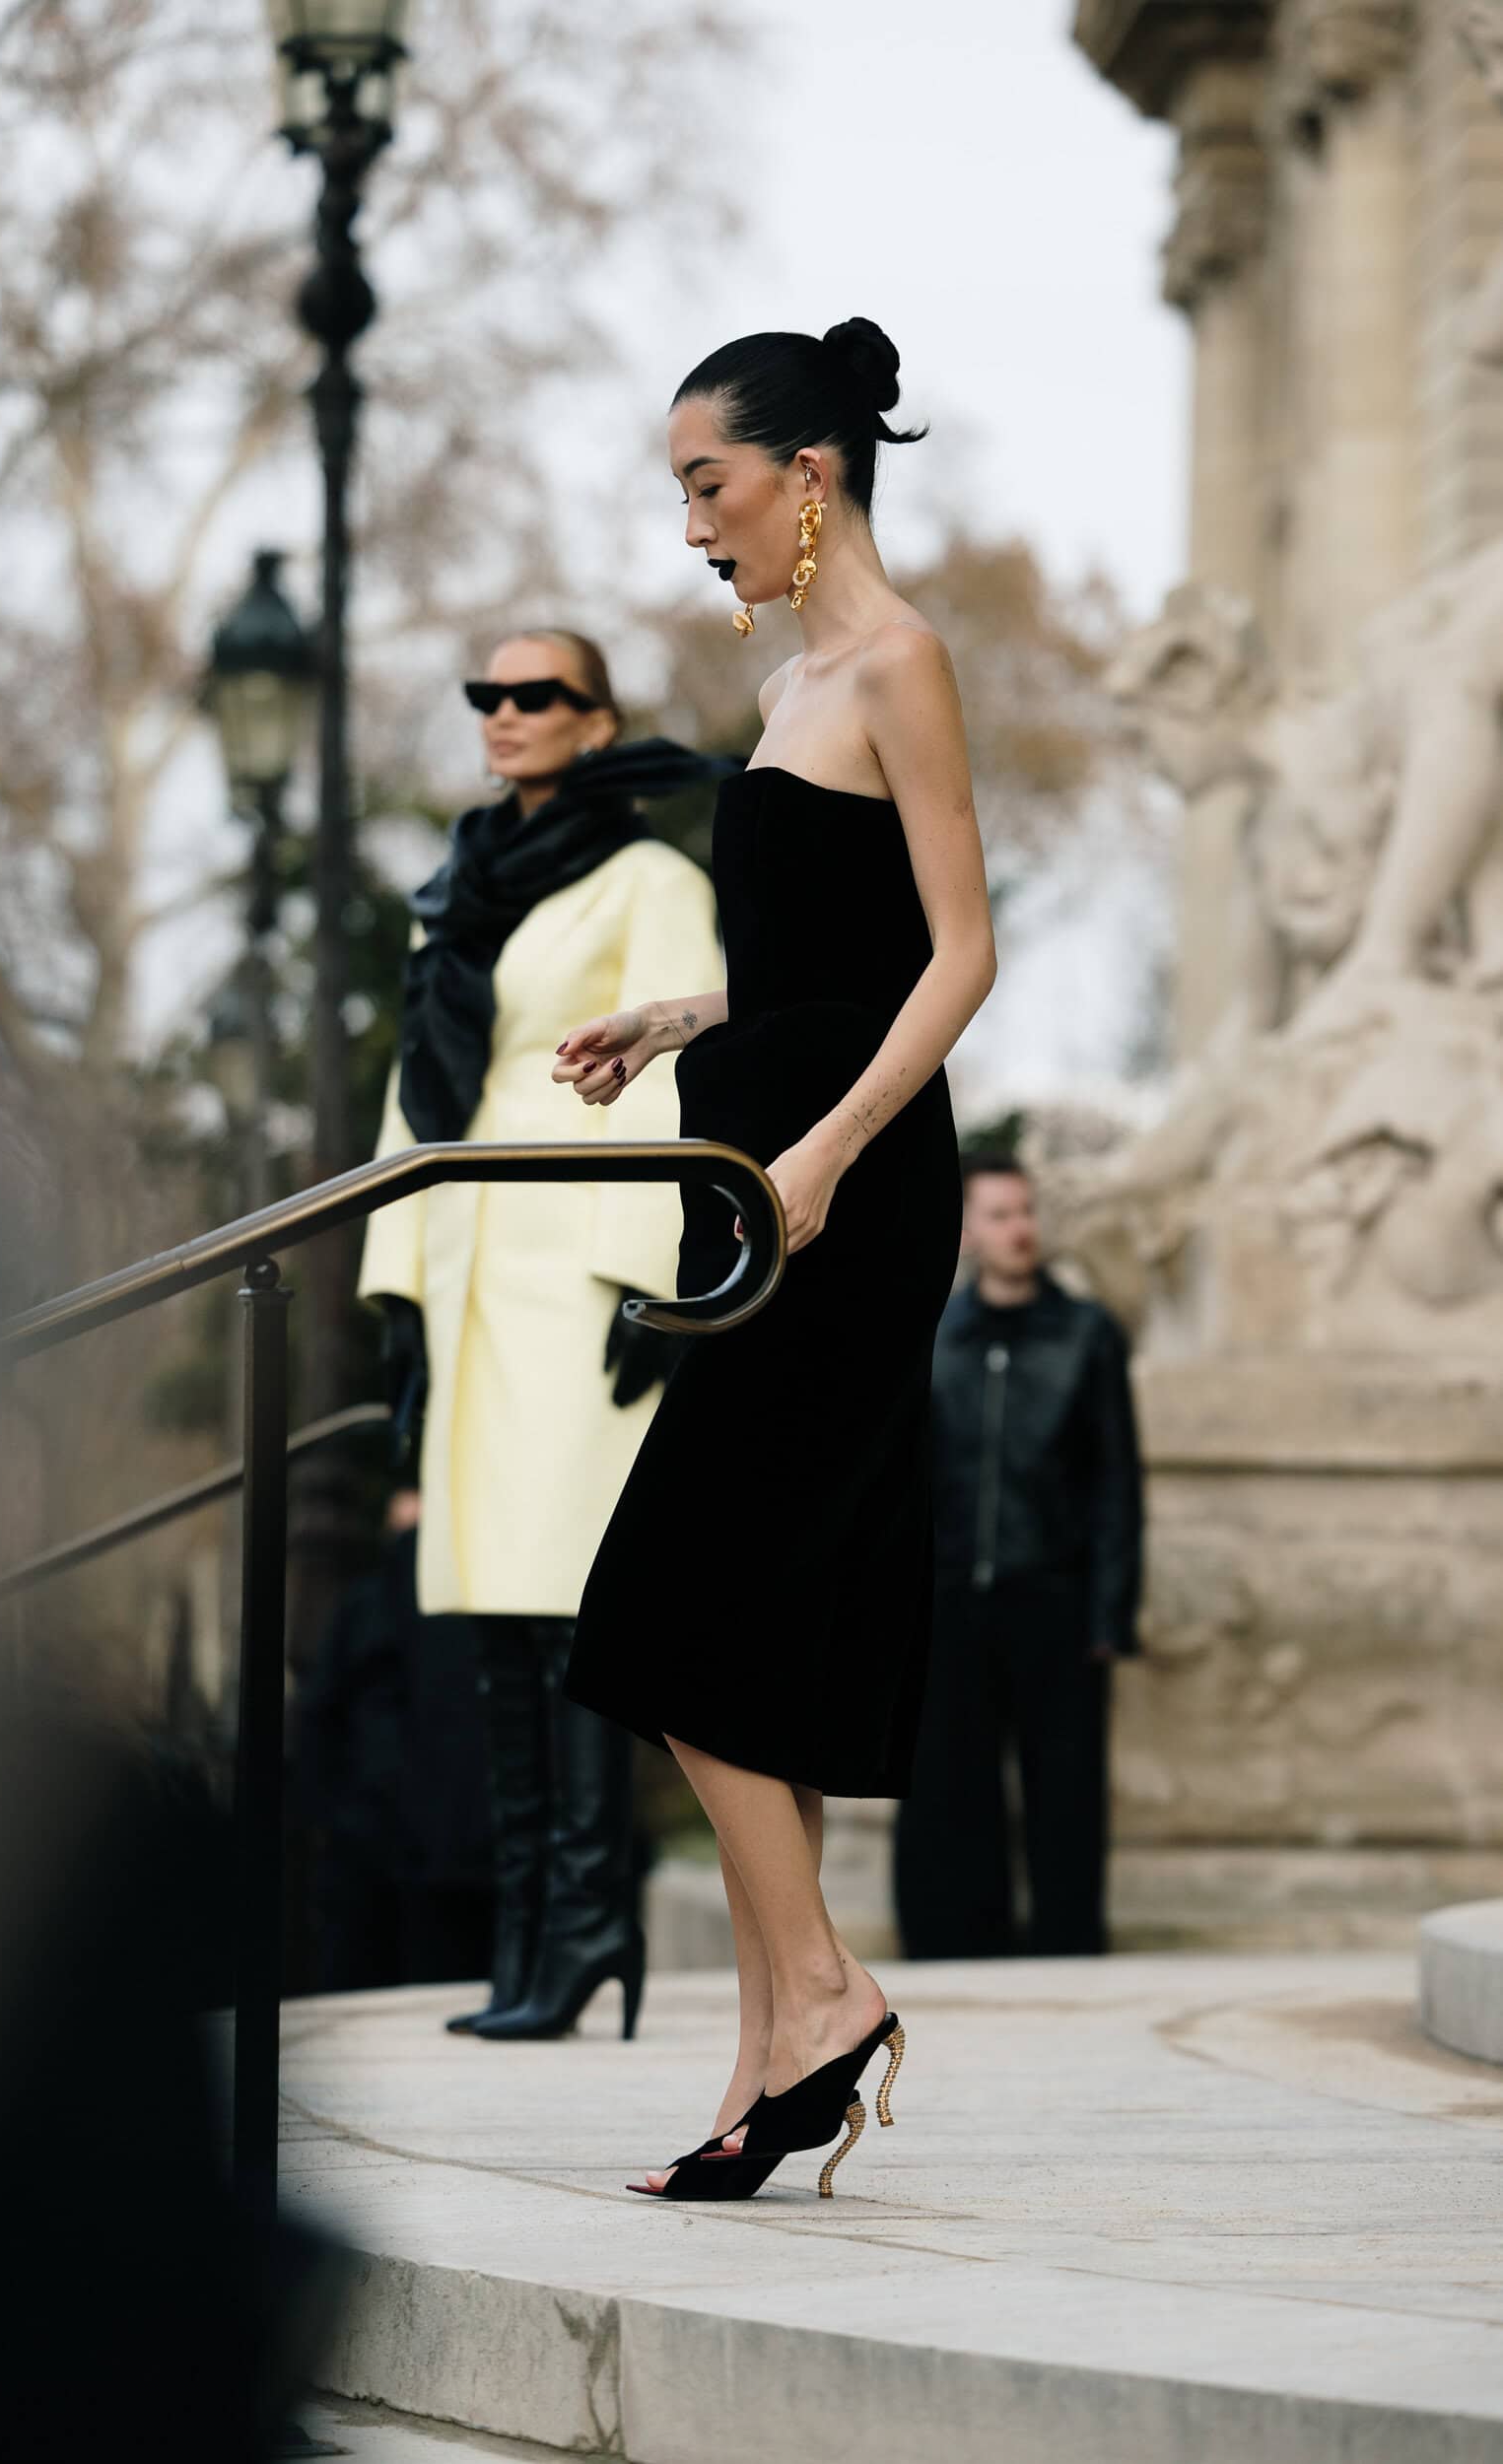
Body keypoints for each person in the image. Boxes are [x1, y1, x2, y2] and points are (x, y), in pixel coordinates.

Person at [553, 320, 996, 2200]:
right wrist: (683, 1014)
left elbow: (958, 956)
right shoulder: (792, 681)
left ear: (807, 477)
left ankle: (823, 1994)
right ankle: (767, 2075)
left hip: (842, 1194)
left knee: (664, 1610)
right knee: (755, 1628)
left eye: (705, 484)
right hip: (754, 1173)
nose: (688, 525)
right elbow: (827, 954)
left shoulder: (896, 661)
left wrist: (819, 1147)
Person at [359, 630, 724, 2043]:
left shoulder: (652, 880)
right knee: (493, 1616)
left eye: (537, 696)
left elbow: (673, 1074)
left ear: (596, 719)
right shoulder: (451, 889)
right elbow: (418, 1087)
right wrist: (396, 1293)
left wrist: (651, 1267)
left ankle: (585, 1920)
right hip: (465, 1258)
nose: (504, 717)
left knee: (570, 1601)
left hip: (578, 1266)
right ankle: (531, 1935)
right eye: (485, 697)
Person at [893, 1153, 1144, 1960]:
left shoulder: (1085, 1333)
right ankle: (955, 1944)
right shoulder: (931, 1329)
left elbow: (1115, 1480)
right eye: (999, 1214)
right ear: (967, 1230)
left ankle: (1067, 1944)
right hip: (948, 1597)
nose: (1018, 1228)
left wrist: (1110, 1611)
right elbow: (903, 1477)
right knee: (948, 1785)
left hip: (1054, 1595)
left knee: (1064, 1790)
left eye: (1025, 1211)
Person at [294, 1488, 495, 1994]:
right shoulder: (492, 1611)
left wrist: (329, 1816)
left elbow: (318, 1718)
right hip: (471, 1852)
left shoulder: (370, 1601)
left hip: (377, 1841)